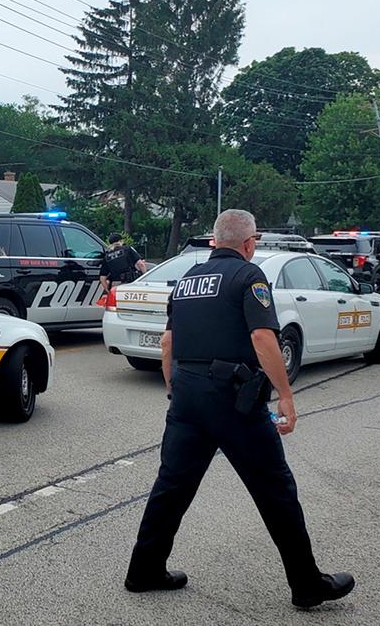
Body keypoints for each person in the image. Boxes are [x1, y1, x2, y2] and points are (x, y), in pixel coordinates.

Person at [124, 209, 354, 610]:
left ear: (214, 241)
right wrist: (285, 393)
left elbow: (167, 345)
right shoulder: (250, 277)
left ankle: (144, 569)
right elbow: (264, 337)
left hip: (187, 398)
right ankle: (306, 584)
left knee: (171, 487)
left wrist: (176, 392)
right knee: (275, 489)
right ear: (249, 243)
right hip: (233, 401)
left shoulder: (186, 280)